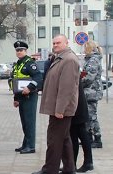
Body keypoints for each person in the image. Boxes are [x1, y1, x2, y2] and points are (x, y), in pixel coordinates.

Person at [32, 34, 80, 174]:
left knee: (54, 139)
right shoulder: (60, 58)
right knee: (63, 138)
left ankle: (50, 169)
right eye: (54, 43)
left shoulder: (69, 60)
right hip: (58, 108)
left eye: (58, 42)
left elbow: (67, 88)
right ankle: (69, 169)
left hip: (61, 109)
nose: (55, 45)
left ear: (66, 43)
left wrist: (60, 109)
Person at [11, 41, 42, 154]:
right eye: (17, 50)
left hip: (29, 96)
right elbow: (16, 82)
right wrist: (16, 99)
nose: (19, 52)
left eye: (21, 50)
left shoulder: (30, 63)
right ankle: (26, 144)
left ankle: (31, 146)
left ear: (25, 51)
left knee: (29, 121)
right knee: (24, 122)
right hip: (21, 97)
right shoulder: (18, 64)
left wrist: (29, 87)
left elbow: (38, 77)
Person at [81, 41, 103, 148]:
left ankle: (97, 138)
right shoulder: (90, 59)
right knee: (88, 115)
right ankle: (89, 137)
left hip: (91, 91)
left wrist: (79, 81)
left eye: (85, 48)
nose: (84, 50)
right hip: (89, 91)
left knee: (92, 116)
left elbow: (90, 77)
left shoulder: (93, 60)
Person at [70, 77, 94, 173]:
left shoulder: (70, 64)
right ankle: (80, 163)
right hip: (79, 105)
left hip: (77, 106)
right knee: (80, 134)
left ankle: (75, 164)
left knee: (76, 135)